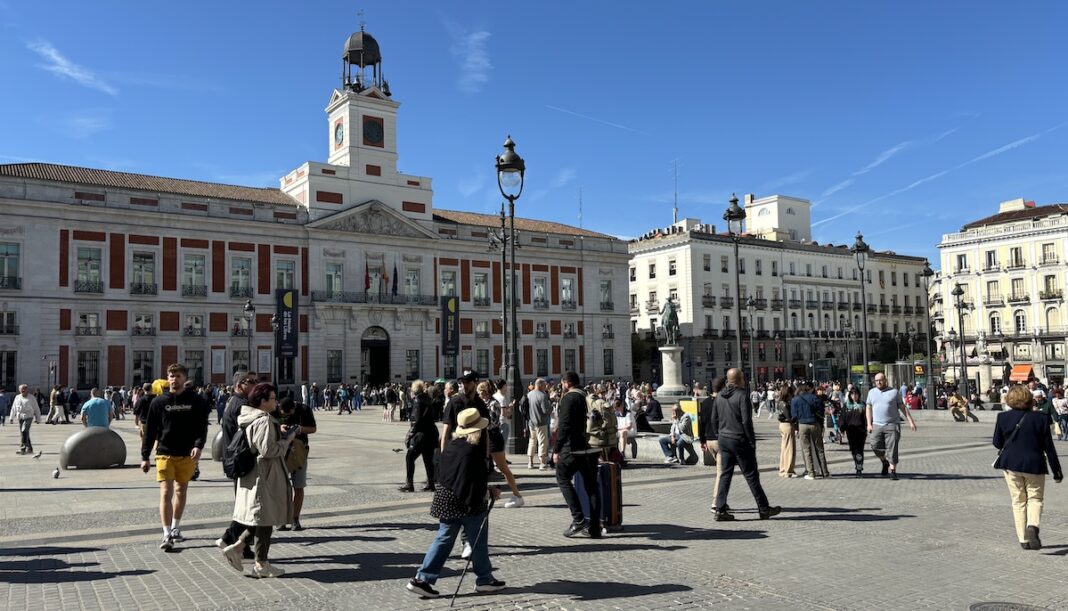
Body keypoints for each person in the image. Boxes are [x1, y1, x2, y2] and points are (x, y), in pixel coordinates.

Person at [406, 407, 506, 598]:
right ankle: (484, 579)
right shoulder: (472, 451)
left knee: (444, 539)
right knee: (477, 539)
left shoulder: (452, 445)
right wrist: (487, 492)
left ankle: (423, 579)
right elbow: (469, 480)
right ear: (477, 430)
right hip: (466, 500)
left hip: (447, 497)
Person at [219, 383, 292, 578]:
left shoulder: (250, 418)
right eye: (273, 398)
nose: (276, 401)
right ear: (263, 401)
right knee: (264, 520)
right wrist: (286, 440)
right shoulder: (264, 421)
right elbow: (268, 450)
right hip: (264, 476)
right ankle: (260, 564)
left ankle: (239, 548)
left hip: (256, 475)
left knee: (261, 520)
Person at [140, 364, 210, 551]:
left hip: (186, 453)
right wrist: (145, 456)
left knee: (181, 490)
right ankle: (166, 533)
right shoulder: (158, 402)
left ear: (184, 378)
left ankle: (176, 526)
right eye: (171, 375)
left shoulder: (195, 400)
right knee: (165, 492)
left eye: (177, 376)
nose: (173, 379)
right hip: (164, 452)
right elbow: (150, 431)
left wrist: (198, 445)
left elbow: (201, 425)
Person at [993, 385, 1063, 550]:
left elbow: (997, 443)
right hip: (1034, 464)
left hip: (1010, 464)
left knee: (1018, 501)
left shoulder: (1002, 417)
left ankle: (1023, 539)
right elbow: (1049, 447)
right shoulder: (1040, 418)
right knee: (1035, 498)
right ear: (1029, 399)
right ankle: (1033, 526)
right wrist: (1057, 472)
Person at [708, 369, 781, 522]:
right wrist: (751, 441)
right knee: (751, 475)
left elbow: (713, 419)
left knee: (724, 475)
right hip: (739, 439)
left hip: (724, 439)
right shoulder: (742, 395)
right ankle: (763, 508)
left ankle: (720, 510)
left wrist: (719, 434)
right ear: (739, 379)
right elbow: (746, 421)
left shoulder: (719, 396)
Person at [553, 371, 602, 538]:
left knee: (562, 478)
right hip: (590, 445)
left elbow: (564, 425)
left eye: (562, 384)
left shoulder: (569, 398)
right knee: (592, 487)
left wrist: (557, 449)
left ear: (566, 383)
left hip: (572, 447)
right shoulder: (587, 396)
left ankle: (578, 519)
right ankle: (595, 528)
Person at [480, 381, 524, 508]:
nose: (478, 394)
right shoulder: (484, 403)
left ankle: (517, 495)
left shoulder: (494, 403)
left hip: (493, 438)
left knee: (503, 468)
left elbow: (493, 422)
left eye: (480, 391)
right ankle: (484, 495)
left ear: (485, 392)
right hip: (485, 438)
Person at [865, 372, 917, 481]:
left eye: (880, 380)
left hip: (892, 425)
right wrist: (869, 424)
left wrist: (910, 421)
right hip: (876, 424)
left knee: (892, 448)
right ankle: (884, 461)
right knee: (875, 446)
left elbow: (903, 408)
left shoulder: (894, 392)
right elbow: (868, 408)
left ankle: (892, 471)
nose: (878, 382)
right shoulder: (871, 393)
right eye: (876, 380)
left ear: (885, 380)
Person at [277, 397, 316, 531]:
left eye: (288, 414)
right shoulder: (275, 410)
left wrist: (300, 429)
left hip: (299, 451)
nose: (286, 416)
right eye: (284, 415)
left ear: (294, 408)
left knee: (298, 486)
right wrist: (279, 427)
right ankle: (281, 519)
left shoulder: (304, 409)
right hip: (281, 451)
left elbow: (313, 428)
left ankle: (295, 519)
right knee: (280, 488)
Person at [399, 380, 439, 493]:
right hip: (431, 433)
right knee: (427, 458)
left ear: (414, 390)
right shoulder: (428, 399)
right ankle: (430, 483)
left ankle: (409, 483)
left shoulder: (418, 400)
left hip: (421, 434)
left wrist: (410, 433)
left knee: (410, 457)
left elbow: (416, 419)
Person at [699, 377, 727, 512]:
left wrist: (702, 440)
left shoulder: (704, 403)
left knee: (721, 470)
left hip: (709, 441)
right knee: (721, 473)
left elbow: (701, 423)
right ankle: (716, 502)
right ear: (723, 387)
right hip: (720, 440)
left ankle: (723, 501)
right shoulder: (723, 402)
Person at [792, 383, 829, 479]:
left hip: (802, 425)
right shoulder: (815, 398)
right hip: (814, 424)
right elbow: (821, 412)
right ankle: (825, 472)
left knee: (806, 450)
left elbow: (794, 416)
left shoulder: (795, 399)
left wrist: (796, 427)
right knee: (820, 449)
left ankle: (811, 473)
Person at [841, 387, 868, 477]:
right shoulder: (846, 406)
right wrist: (842, 429)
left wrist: (868, 426)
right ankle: (857, 463)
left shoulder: (863, 405)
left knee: (859, 450)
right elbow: (843, 418)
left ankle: (859, 468)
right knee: (853, 449)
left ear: (859, 395)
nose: (854, 396)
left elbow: (867, 418)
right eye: (852, 394)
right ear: (850, 395)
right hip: (850, 431)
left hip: (861, 431)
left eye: (856, 394)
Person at [526, 378, 552, 470]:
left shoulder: (529, 395)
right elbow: (546, 410)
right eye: (544, 385)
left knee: (532, 442)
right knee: (542, 442)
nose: (546, 386)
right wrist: (550, 405)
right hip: (541, 422)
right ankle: (542, 463)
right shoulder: (543, 395)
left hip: (531, 423)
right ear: (540, 385)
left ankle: (530, 462)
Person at [9, 384, 41, 454]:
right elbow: (14, 408)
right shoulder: (17, 397)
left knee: (24, 430)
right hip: (20, 417)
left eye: (24, 389)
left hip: (29, 416)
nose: (23, 390)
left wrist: (38, 418)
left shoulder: (31, 398)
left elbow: (36, 409)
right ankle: (30, 448)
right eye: (21, 389)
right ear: (19, 390)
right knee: (24, 433)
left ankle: (22, 448)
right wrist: (11, 417)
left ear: (27, 390)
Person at [775, 385, 797, 478]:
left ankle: (783, 469)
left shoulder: (779, 402)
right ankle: (788, 470)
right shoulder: (785, 404)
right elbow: (790, 418)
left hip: (782, 425)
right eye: (791, 394)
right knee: (789, 448)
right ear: (788, 393)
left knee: (784, 448)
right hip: (787, 425)